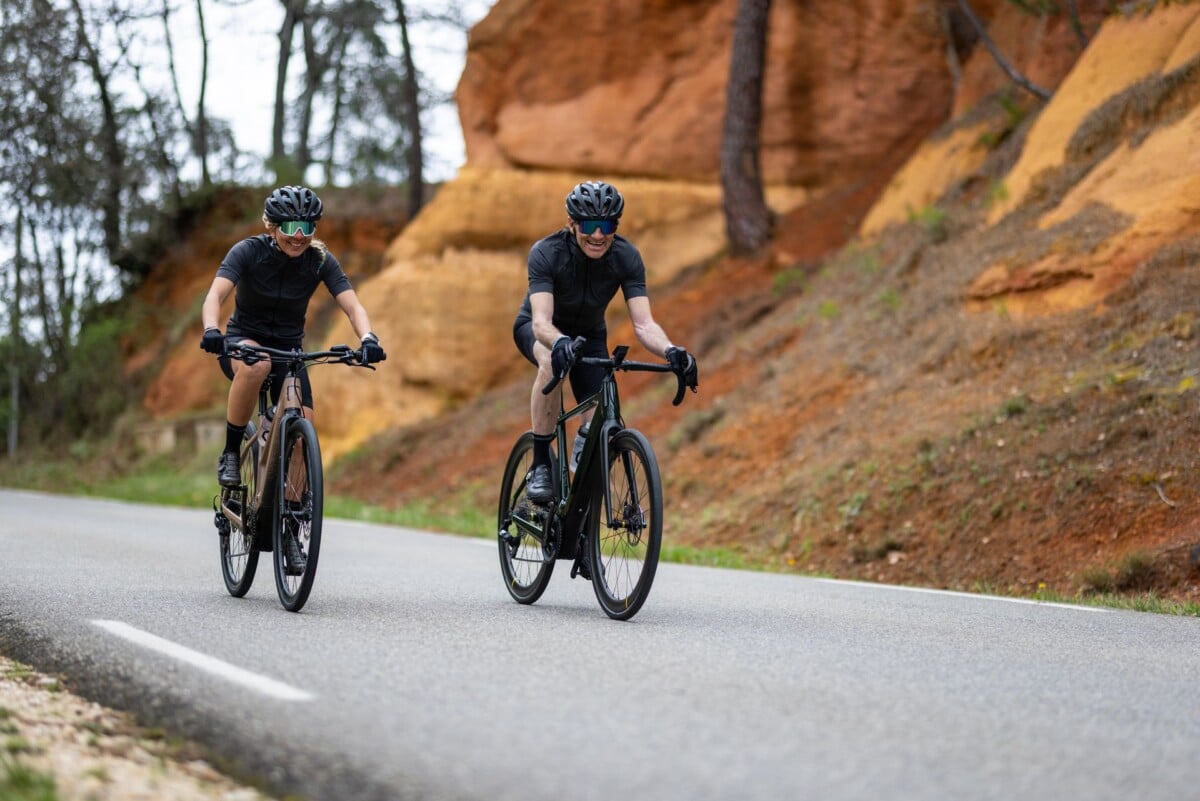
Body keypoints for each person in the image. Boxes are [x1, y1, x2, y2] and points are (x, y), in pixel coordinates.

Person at [513, 180, 698, 504]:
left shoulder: (626, 256)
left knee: (597, 420)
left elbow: (644, 323)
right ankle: (541, 462)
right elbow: (541, 321)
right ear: (572, 223)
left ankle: (583, 474)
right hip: (541, 330)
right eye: (589, 225)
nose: (598, 235)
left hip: (590, 337)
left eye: (607, 225)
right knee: (550, 362)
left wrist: (672, 350)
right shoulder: (546, 252)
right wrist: (559, 343)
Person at [199, 185, 386, 492]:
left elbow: (353, 305)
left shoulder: (320, 259)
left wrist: (368, 338)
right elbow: (215, 295)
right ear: (272, 227)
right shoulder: (247, 251)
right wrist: (211, 330)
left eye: (307, 227)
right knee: (258, 364)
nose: (299, 235)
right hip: (242, 344)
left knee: (303, 433)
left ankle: (292, 529)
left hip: (289, 353)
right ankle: (231, 452)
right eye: (290, 227)